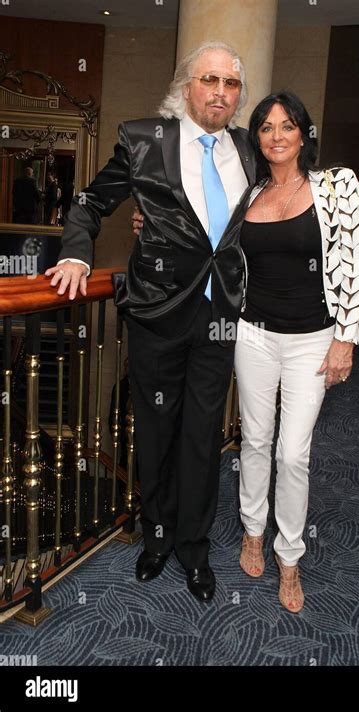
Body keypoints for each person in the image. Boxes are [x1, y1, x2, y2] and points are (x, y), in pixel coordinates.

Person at [45, 41, 256, 602]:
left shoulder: (249, 149)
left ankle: (194, 549)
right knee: (156, 432)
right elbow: (89, 201)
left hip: (220, 317)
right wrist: (75, 252)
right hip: (157, 314)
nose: (219, 92)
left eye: (230, 84)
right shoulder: (144, 139)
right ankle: (156, 539)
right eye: (209, 80)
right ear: (186, 87)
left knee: (202, 437)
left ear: (239, 95)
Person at [233, 92, 359, 613]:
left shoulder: (337, 186)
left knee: (292, 453)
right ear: (258, 138)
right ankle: (252, 529)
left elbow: (355, 263)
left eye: (287, 125)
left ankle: (289, 557)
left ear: (304, 133)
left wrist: (345, 339)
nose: (277, 135)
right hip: (254, 334)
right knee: (254, 439)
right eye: (266, 127)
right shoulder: (250, 196)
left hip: (314, 338)